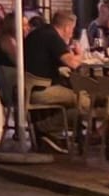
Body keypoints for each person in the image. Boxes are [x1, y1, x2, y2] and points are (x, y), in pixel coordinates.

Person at [23, 9, 82, 149]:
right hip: (41, 90)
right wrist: (80, 55)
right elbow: (73, 63)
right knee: (85, 101)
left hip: (27, 87)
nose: (72, 33)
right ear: (67, 27)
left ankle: (53, 133)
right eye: (72, 29)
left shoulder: (37, 33)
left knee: (75, 97)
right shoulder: (53, 37)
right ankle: (46, 128)